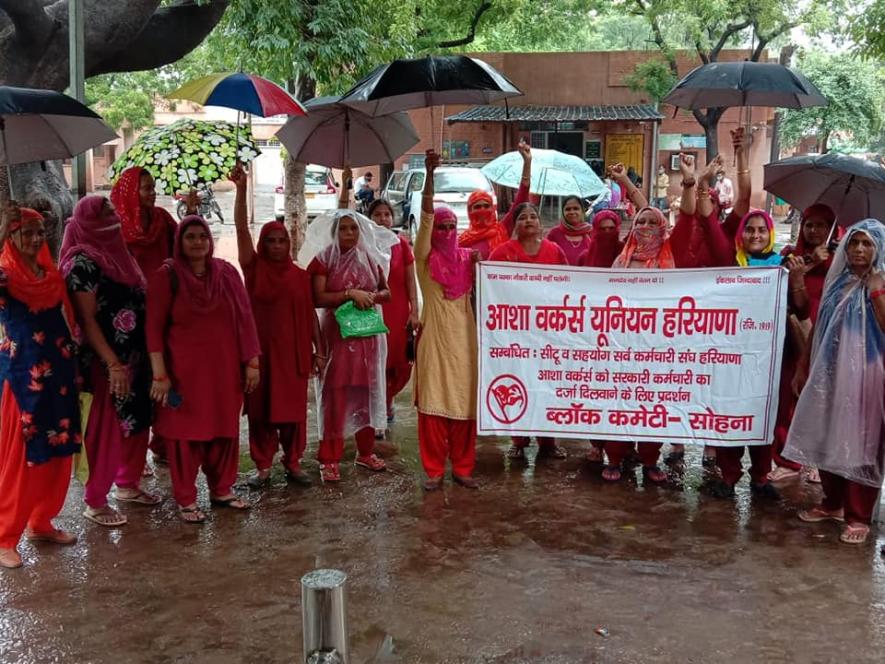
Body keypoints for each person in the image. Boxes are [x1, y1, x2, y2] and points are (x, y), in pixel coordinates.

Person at [146, 216, 260, 523]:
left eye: (202, 237)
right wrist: (160, 374)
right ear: (180, 242)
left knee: (224, 429)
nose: (197, 242)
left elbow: (245, 319)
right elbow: (153, 330)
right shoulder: (166, 276)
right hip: (183, 374)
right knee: (185, 435)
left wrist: (252, 362)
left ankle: (222, 489)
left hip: (223, 372)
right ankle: (186, 499)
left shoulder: (226, 273)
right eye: (190, 237)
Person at [784, 219, 885, 545]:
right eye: (854, 242)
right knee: (828, 435)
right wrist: (804, 364)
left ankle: (859, 515)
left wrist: (877, 290)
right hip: (829, 372)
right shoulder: (838, 282)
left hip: (867, 376)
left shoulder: (881, 283)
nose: (858, 249)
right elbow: (820, 327)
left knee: (861, 443)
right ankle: (833, 503)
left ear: (878, 249)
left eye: (867, 243)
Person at [61, 196, 157, 527]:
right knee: (107, 428)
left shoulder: (120, 254)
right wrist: (113, 364)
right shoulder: (82, 264)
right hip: (104, 362)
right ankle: (95, 500)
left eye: (114, 210)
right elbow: (85, 322)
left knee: (135, 420)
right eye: (106, 213)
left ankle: (127, 485)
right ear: (89, 223)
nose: (115, 216)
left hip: (134, 355)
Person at [229, 167, 325, 490]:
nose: (276, 245)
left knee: (293, 414)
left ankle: (293, 462)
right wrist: (242, 190)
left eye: (281, 240)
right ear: (262, 244)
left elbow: (311, 314)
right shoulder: (253, 269)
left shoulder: (300, 277)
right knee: (259, 412)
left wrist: (319, 350)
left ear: (289, 243)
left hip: (294, 357)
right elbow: (241, 228)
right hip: (261, 358)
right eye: (270, 241)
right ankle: (263, 467)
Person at [0, 204, 80, 569]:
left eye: (39, 231)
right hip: (22, 379)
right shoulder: (3, 276)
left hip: (59, 375)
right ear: (11, 236)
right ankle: (5, 536)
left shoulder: (50, 273)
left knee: (59, 448)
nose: (35, 239)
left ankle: (41, 521)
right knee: (23, 458)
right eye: (25, 232)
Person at [302, 209, 397, 483]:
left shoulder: (369, 256)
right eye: (343, 229)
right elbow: (317, 297)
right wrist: (348, 294)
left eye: (353, 229)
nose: (349, 234)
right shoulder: (323, 259)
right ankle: (329, 458)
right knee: (336, 395)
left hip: (368, 336)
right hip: (338, 337)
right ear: (334, 232)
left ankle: (365, 452)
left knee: (367, 392)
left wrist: (371, 296)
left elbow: (386, 292)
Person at [111, 167, 195, 468]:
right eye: (145, 188)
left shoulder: (161, 219)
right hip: (130, 316)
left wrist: (192, 215)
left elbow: (183, 246)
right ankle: (133, 453)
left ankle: (161, 442)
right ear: (131, 192)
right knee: (140, 381)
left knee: (167, 374)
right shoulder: (117, 226)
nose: (152, 192)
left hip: (164, 307)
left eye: (153, 187)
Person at [701, 209, 781, 500]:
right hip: (730, 356)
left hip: (766, 358)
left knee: (761, 418)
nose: (756, 235)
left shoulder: (782, 266)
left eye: (762, 230)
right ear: (741, 235)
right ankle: (729, 475)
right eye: (750, 230)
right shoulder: (729, 263)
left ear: (770, 234)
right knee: (730, 416)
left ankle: (761, 477)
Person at [415, 150, 480, 490]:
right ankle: (434, 471)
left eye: (452, 226)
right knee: (434, 405)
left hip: (466, 341)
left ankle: (463, 468)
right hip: (436, 341)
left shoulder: (469, 259)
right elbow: (425, 219)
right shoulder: (424, 262)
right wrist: (429, 175)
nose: (447, 230)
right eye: (442, 226)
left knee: (465, 405)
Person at [489, 202, 568, 461]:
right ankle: (519, 440)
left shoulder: (554, 252)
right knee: (518, 383)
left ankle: (549, 441)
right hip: (515, 333)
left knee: (547, 384)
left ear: (540, 223)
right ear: (515, 226)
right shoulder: (502, 253)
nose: (528, 221)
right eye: (522, 218)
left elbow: (570, 285)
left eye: (533, 216)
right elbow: (492, 290)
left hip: (548, 332)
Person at [602, 206, 673, 485]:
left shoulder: (668, 262)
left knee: (651, 405)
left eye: (651, 222)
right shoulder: (621, 261)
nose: (644, 226)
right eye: (639, 221)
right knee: (618, 402)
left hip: (655, 347)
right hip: (622, 345)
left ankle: (650, 460)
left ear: (662, 226)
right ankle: (615, 458)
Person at [772, 204, 837, 482]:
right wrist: (810, 260)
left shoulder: (844, 257)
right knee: (789, 392)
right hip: (794, 330)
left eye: (821, 225)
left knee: (822, 397)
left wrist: (828, 259)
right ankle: (787, 459)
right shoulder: (792, 256)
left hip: (828, 331)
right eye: (809, 225)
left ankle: (817, 462)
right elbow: (780, 284)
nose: (814, 231)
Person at [366, 196, 420, 426]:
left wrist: (414, 310)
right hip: (372, 312)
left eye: (386, 214)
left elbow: (410, 281)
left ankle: (387, 400)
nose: (383, 219)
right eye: (377, 214)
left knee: (399, 364)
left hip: (397, 313)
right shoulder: (363, 244)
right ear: (369, 218)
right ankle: (378, 409)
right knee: (376, 362)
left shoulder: (402, 245)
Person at [459, 139, 531, 260]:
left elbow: (521, 200)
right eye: (477, 207)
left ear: (493, 208)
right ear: (469, 211)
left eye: (486, 206)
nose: (482, 210)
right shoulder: (462, 241)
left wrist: (527, 163)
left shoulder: (502, 229)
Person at [544, 196, 593, 265]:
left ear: (582, 211)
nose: (572, 212)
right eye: (568, 209)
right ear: (563, 212)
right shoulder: (554, 234)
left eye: (576, 208)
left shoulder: (591, 232)